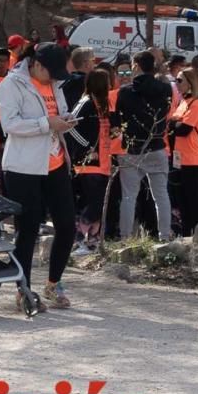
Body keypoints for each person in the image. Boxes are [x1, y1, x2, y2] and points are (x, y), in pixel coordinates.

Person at [0, 42, 78, 309]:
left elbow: (58, 113)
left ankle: (53, 285)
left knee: (67, 226)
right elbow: (10, 124)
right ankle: (23, 290)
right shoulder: (12, 85)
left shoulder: (54, 84)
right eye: (51, 73)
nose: (55, 79)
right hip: (23, 167)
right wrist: (47, 124)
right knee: (28, 229)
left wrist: (65, 121)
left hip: (55, 163)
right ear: (37, 64)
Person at [113, 50, 173, 241]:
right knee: (161, 196)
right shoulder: (166, 90)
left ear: (136, 66)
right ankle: (165, 235)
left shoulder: (125, 92)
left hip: (132, 148)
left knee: (129, 197)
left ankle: (125, 237)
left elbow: (118, 117)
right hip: (156, 145)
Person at [65, 69, 112, 255]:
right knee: (94, 201)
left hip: (104, 160)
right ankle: (78, 237)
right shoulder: (86, 102)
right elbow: (70, 127)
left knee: (100, 202)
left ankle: (92, 241)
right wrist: (87, 147)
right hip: (89, 161)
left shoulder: (104, 103)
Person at [169, 68, 198, 236]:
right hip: (179, 158)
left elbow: (183, 129)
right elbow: (172, 126)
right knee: (182, 199)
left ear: (191, 83)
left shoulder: (197, 103)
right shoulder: (183, 102)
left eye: (180, 80)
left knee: (193, 198)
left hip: (193, 158)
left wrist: (173, 124)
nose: (176, 84)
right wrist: (173, 124)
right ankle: (186, 233)